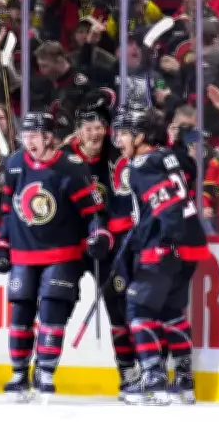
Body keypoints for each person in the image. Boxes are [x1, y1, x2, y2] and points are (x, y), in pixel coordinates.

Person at [0, 111, 106, 403]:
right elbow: (7, 212)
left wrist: (98, 235)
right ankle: (19, 373)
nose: (29, 141)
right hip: (23, 253)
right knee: (20, 314)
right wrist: (0, 243)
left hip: (62, 254)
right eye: (26, 135)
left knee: (52, 312)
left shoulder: (71, 168)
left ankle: (45, 372)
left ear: (48, 137)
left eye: (35, 136)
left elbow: (91, 213)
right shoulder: (15, 165)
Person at [112, 107, 209, 406]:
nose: (119, 140)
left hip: (167, 244)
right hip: (190, 243)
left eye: (125, 134)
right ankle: (184, 379)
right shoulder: (166, 155)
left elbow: (165, 205)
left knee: (138, 306)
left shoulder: (141, 164)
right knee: (171, 311)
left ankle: (153, 377)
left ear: (141, 136)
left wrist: (164, 241)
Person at [61, 93, 138, 399]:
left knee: (118, 308)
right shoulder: (65, 156)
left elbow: (112, 103)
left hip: (111, 243)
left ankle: (129, 371)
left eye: (99, 127)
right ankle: (41, 368)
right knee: (55, 301)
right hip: (74, 243)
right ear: (77, 130)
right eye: (88, 127)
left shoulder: (114, 152)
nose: (94, 133)